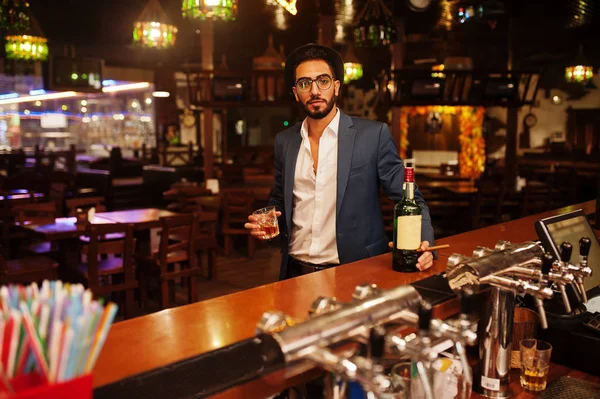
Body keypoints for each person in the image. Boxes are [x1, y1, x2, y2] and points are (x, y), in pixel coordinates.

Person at [245, 43, 435, 280]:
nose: (314, 91)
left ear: (336, 87)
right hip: (294, 271)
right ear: (295, 92)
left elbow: (411, 198)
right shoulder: (284, 141)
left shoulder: (372, 136)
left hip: (355, 271)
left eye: (322, 81)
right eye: (304, 83)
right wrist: (267, 220)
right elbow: (280, 200)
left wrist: (424, 244)